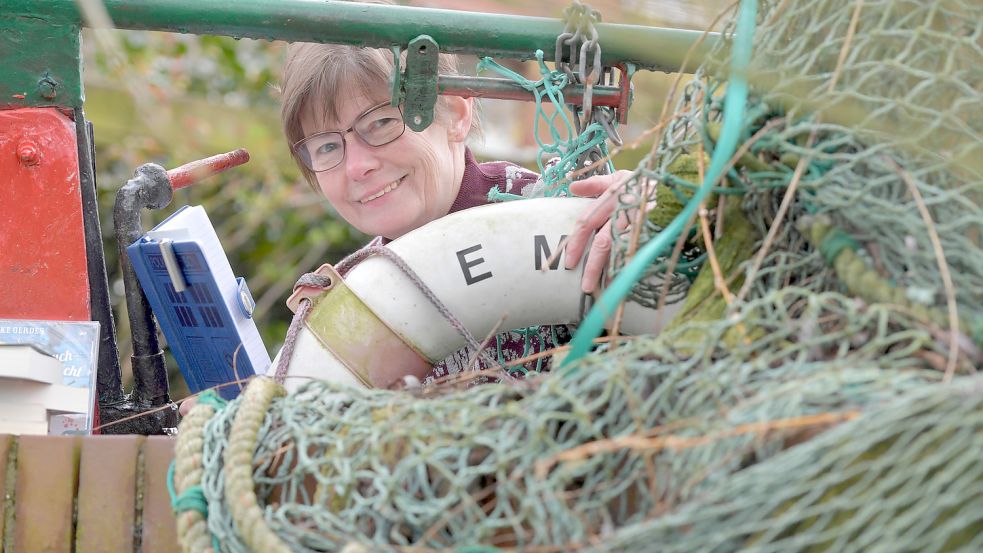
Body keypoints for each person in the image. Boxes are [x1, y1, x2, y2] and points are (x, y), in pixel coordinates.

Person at [278, 38, 630, 385]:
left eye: (382, 122)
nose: (357, 167)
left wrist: (658, 215)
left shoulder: (553, 206)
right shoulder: (354, 290)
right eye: (326, 146)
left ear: (457, 116)